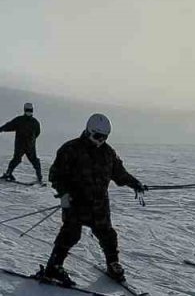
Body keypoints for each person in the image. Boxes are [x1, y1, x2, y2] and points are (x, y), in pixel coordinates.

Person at [39, 114, 146, 286]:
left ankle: (112, 263)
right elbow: (56, 175)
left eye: (104, 137)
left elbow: (119, 174)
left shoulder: (108, 153)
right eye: (97, 136)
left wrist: (135, 183)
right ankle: (54, 267)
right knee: (71, 234)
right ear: (89, 131)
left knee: (108, 234)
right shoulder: (71, 149)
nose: (101, 140)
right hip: (76, 202)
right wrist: (64, 194)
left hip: (99, 204)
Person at [0, 102, 43, 183]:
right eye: (28, 110)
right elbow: (37, 133)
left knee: (21, 160)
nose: (29, 111)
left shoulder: (22, 120)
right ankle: (39, 177)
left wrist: (0, 130)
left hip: (23, 145)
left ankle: (9, 173)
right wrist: (0, 129)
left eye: (30, 110)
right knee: (28, 160)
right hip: (27, 145)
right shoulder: (33, 122)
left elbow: (10, 125)